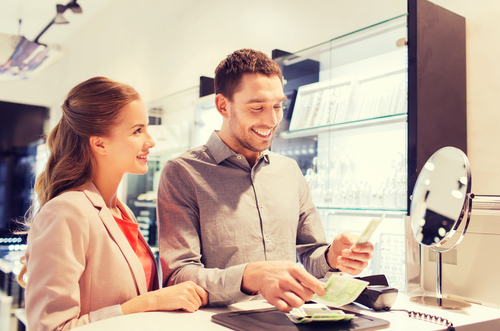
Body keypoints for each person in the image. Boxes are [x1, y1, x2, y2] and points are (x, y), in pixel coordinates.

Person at [157, 49, 374, 312]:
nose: (271, 121)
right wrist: (251, 276)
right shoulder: (182, 172)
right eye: (257, 107)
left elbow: (311, 255)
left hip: (291, 320)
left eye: (277, 106)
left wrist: (332, 257)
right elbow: (178, 276)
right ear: (223, 106)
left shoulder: (289, 171)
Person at [19, 76, 208, 331]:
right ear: (99, 143)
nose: (150, 141)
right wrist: (148, 302)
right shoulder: (66, 212)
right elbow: (50, 328)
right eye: (137, 130)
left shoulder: (121, 211)